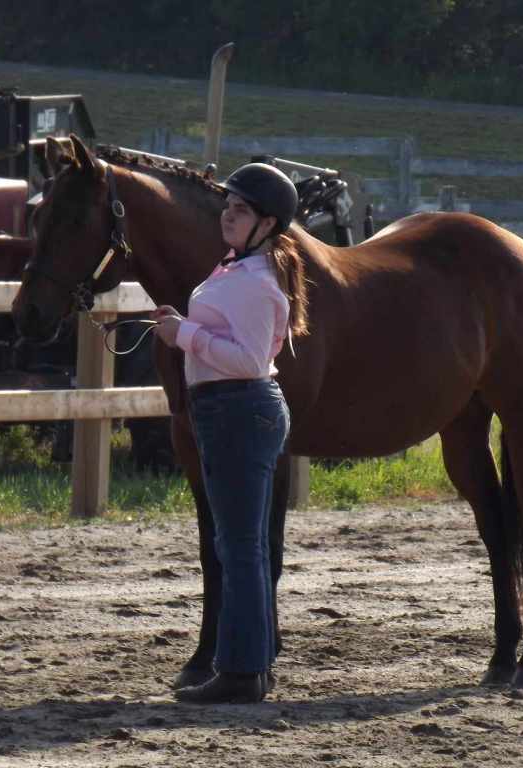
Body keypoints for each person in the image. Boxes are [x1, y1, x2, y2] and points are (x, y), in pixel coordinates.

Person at [152, 163, 308, 704]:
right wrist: (182, 325)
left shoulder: (255, 282)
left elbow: (246, 360)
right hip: (230, 410)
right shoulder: (235, 269)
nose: (228, 215)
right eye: (228, 206)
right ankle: (252, 666)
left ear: (267, 224)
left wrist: (184, 334)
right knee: (242, 546)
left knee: (239, 549)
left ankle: (242, 673)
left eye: (240, 210)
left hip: (238, 409)